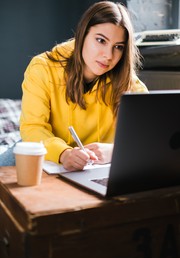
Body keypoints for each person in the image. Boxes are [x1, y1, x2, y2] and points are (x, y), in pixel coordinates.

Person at [0, 1, 148, 169]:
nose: (108, 55)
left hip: (96, 167)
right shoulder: (41, 68)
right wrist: (63, 153)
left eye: (118, 47)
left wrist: (114, 151)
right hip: (45, 150)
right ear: (83, 34)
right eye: (101, 40)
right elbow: (33, 128)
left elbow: (148, 136)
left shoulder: (129, 83)